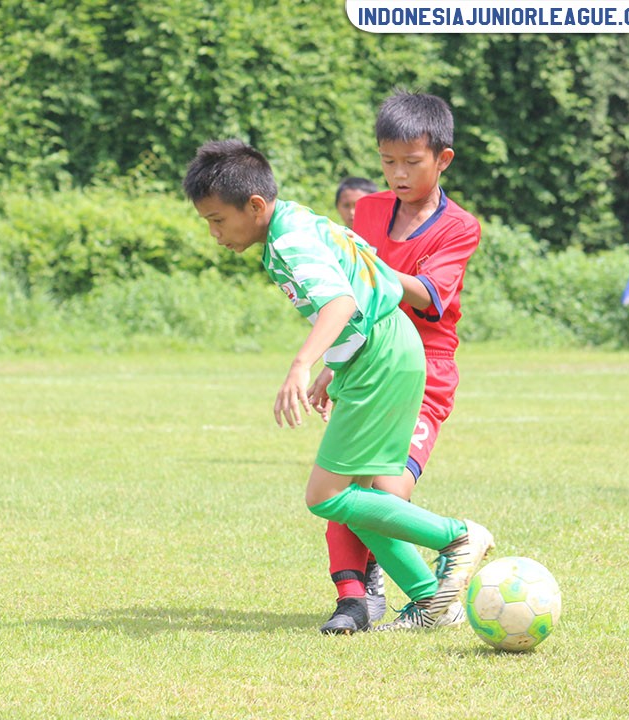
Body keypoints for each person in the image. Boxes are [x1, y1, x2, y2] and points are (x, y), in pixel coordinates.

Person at [183, 139, 493, 632]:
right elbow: (371, 287)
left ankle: (455, 537)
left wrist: (303, 364)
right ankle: (432, 600)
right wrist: (336, 366)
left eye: (217, 220)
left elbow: (342, 304)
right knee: (364, 496)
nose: (214, 232)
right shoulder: (298, 220)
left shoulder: (290, 240)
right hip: (386, 348)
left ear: (255, 206)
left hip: (383, 356)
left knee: (325, 496)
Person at [319, 91, 483, 634]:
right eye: (388, 161)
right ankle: (355, 598)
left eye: (412, 162)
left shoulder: (459, 227)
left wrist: (378, 275)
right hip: (366, 365)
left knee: (385, 497)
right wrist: (331, 365)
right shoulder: (365, 212)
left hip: (424, 376)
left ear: (443, 159)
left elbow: (431, 295)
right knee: (343, 486)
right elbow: (352, 300)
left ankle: (430, 588)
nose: (397, 174)